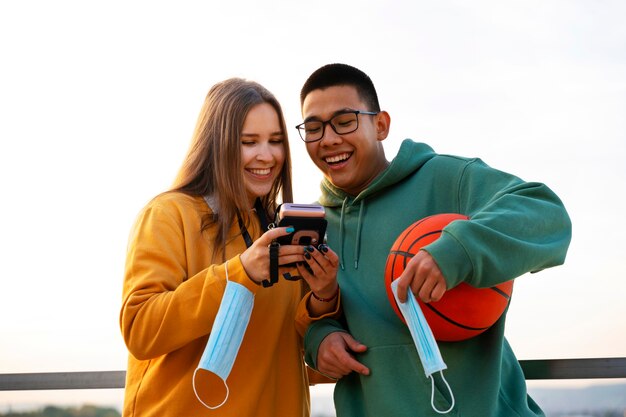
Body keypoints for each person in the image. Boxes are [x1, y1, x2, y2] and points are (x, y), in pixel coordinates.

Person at [295, 63, 572, 416]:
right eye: (314, 128)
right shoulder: (313, 226)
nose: (329, 138)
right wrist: (320, 341)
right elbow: (315, 317)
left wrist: (458, 249)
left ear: (380, 125)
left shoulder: (443, 177)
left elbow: (546, 213)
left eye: (344, 121)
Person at [120, 78, 340, 417]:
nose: (266, 155)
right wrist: (239, 273)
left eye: (276, 141)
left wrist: (324, 296)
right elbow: (141, 330)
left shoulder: (279, 230)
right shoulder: (167, 214)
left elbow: (297, 354)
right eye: (248, 142)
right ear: (217, 144)